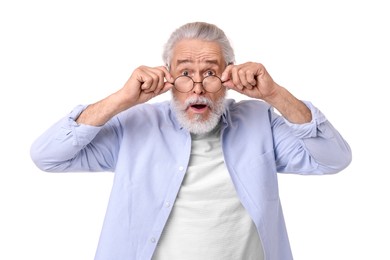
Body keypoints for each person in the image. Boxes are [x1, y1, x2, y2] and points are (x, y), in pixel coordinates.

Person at [30, 21, 352, 260]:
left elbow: (334, 157)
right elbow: (48, 155)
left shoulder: (260, 123)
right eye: (185, 73)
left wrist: (275, 94)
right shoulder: (136, 126)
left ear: (229, 75)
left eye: (210, 73)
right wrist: (122, 99)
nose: (197, 88)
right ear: (168, 75)